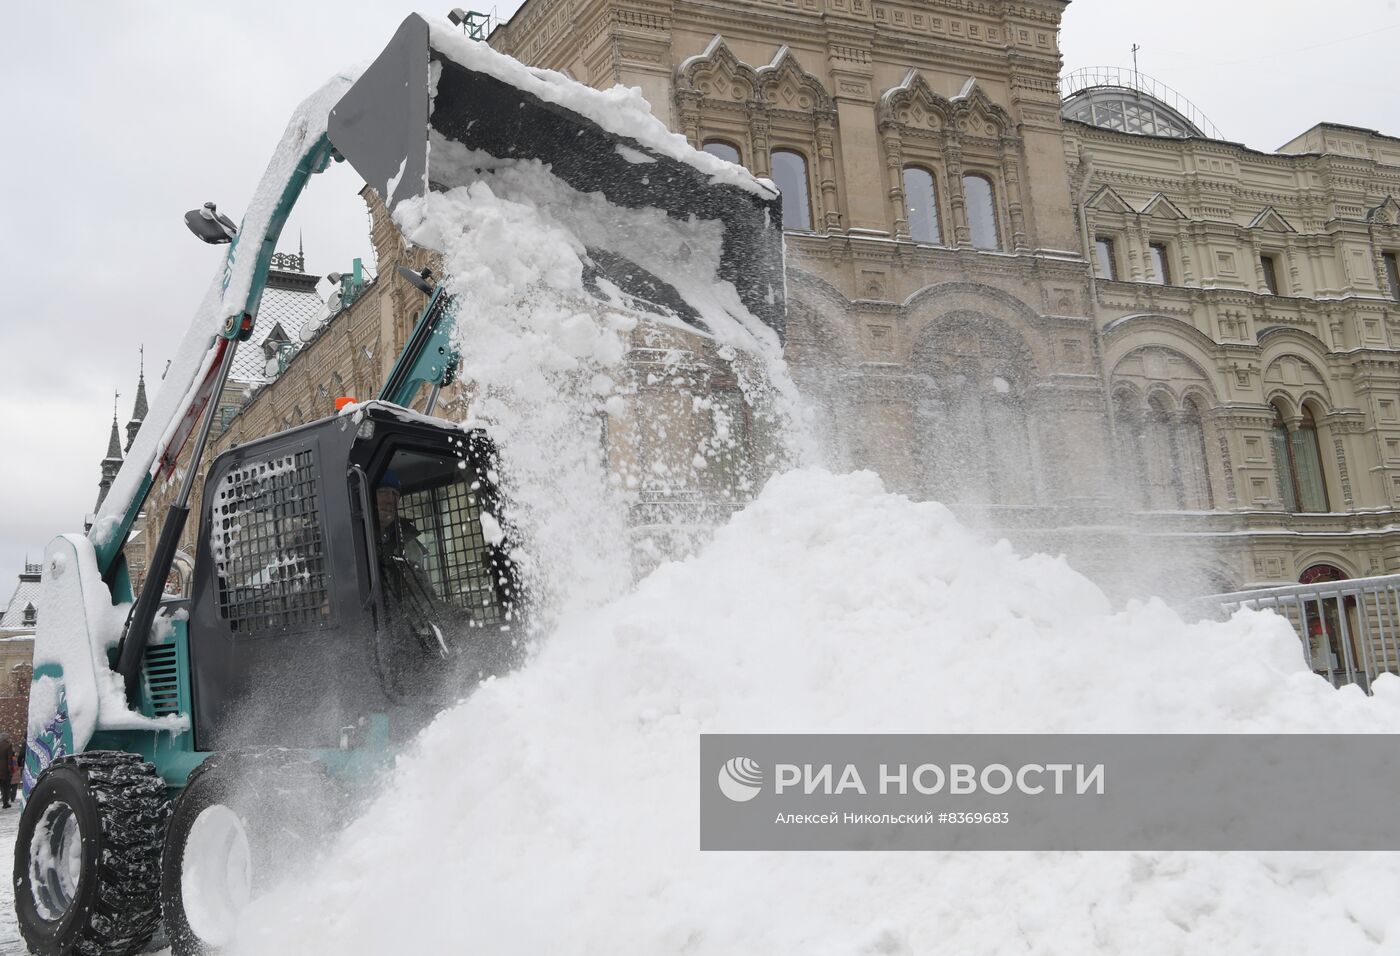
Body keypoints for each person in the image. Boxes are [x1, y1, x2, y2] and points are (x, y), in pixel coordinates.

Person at [0, 734, 15, 809]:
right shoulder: (8, 745)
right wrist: (11, 770)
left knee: (2, 786)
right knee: (6, 787)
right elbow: (10, 759)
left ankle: (4, 800)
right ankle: (5, 803)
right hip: (5, 770)